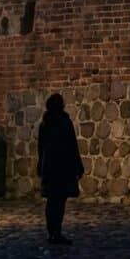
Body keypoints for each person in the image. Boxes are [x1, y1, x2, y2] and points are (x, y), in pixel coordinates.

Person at [37, 92, 84, 245]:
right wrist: (78, 165)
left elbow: (41, 147)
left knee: (52, 201)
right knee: (60, 201)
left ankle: (52, 232)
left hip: (50, 167)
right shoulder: (64, 122)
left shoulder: (45, 123)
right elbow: (72, 145)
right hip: (63, 166)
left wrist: (40, 165)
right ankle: (56, 232)